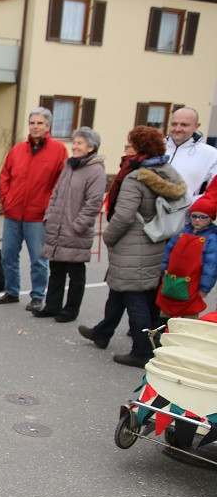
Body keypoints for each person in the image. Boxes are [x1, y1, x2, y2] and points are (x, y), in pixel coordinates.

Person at [79, 125, 186, 368]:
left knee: (134, 297)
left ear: (139, 148)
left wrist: (108, 237)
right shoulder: (167, 171)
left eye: (128, 145)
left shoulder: (136, 176)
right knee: (121, 289)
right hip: (154, 240)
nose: (125, 149)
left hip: (133, 242)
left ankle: (141, 350)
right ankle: (102, 332)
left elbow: (124, 216)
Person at [0, 107, 68, 311]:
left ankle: (37, 295)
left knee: (38, 258)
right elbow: (4, 177)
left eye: (40, 123)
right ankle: (11, 291)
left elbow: (60, 182)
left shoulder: (58, 150)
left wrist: (48, 206)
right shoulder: (17, 149)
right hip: (13, 213)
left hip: (37, 215)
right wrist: (7, 200)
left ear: (48, 126)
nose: (35, 127)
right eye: (32, 123)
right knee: (8, 255)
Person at [34, 127, 105, 322]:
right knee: (56, 270)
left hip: (75, 230)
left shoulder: (96, 170)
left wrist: (77, 225)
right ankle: (52, 306)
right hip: (57, 226)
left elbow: (93, 202)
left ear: (91, 147)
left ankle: (70, 310)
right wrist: (49, 216)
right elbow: (56, 193)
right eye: (74, 142)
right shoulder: (69, 166)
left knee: (75, 273)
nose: (75, 146)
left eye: (79, 143)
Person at [155, 194, 217, 319]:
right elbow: (168, 253)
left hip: (193, 284)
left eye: (203, 217)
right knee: (165, 311)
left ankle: (184, 335)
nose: (197, 220)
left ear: (211, 218)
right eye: (194, 216)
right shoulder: (181, 232)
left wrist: (205, 287)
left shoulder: (211, 238)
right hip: (171, 280)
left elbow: (211, 266)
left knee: (189, 315)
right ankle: (163, 334)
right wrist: (162, 273)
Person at [165, 107, 217, 201]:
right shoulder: (156, 147)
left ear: (196, 126)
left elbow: (213, 192)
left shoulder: (211, 154)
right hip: (150, 213)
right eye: (174, 124)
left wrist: (191, 204)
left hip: (183, 213)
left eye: (184, 125)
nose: (177, 128)